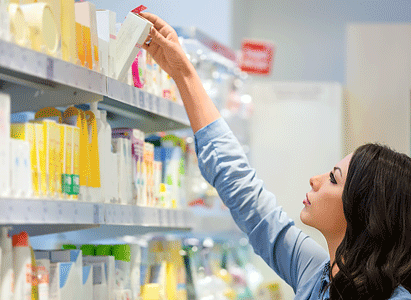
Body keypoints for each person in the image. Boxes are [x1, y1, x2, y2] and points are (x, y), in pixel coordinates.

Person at [139, 12, 411, 300]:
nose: (315, 180)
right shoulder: (316, 273)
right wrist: (183, 72)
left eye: (333, 179)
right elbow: (249, 200)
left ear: (362, 210)